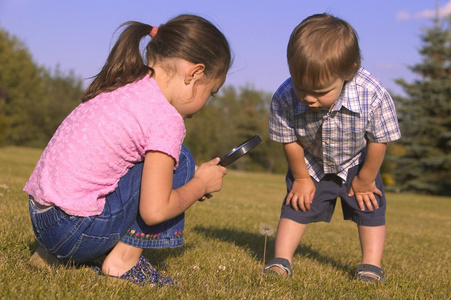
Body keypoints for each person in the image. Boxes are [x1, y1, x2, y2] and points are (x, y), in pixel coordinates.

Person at [24, 14, 232, 287]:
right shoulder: (165, 118)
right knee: (181, 160)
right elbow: (154, 211)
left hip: (43, 219)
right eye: (212, 92)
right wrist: (199, 185)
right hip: (73, 231)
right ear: (194, 73)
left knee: (174, 167)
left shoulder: (126, 84)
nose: (207, 102)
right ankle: (122, 263)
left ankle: (57, 254)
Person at [264, 13, 401, 282]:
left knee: (370, 206)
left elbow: (378, 140)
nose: (309, 98)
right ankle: (281, 259)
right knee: (296, 204)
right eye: (302, 87)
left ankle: (371, 266)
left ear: (348, 71)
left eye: (320, 91)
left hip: (358, 162)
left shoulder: (371, 93)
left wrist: (366, 178)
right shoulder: (285, 96)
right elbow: (288, 140)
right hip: (312, 163)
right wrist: (302, 178)